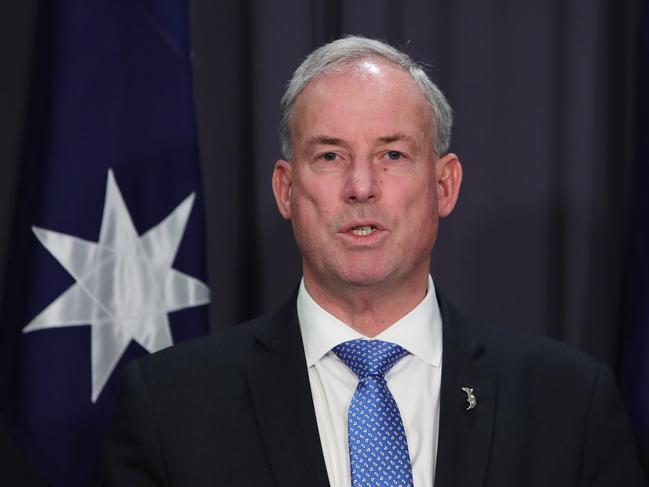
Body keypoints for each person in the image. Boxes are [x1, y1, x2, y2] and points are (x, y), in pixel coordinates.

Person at [101, 36, 647, 486]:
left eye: (392, 155)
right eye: (330, 156)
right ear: (286, 191)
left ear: (444, 185)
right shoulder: (171, 408)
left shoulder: (569, 405)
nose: (361, 187)